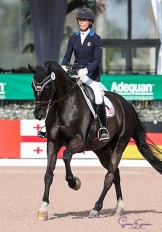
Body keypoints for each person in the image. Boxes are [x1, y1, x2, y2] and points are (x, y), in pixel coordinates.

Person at [61, 8, 109, 142]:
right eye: (79, 20)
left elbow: (97, 60)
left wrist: (87, 70)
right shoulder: (73, 38)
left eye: (83, 20)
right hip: (76, 74)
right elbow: (67, 56)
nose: (81, 22)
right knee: (59, 92)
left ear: (90, 22)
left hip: (90, 76)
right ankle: (48, 126)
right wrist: (64, 66)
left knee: (98, 97)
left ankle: (103, 127)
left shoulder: (96, 39)